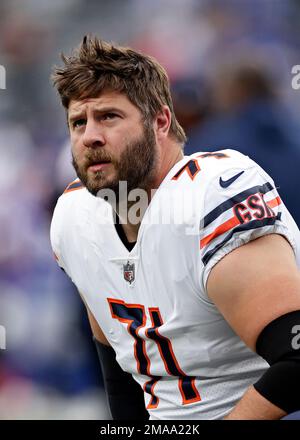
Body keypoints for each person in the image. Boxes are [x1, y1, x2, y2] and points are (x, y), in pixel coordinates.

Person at [50, 36, 300, 420]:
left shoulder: (211, 196)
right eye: (78, 122)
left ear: (160, 121)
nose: (90, 136)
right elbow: (118, 365)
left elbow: (295, 357)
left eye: (109, 117)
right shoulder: (75, 217)